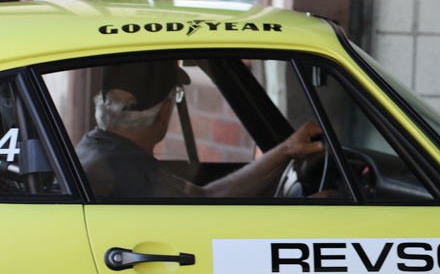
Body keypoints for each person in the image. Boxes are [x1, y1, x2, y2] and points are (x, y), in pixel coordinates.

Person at [75, 60, 325, 199]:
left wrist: (285, 151)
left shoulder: (96, 148)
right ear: (164, 112)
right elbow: (209, 206)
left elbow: (205, 197)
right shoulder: (133, 170)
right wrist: (300, 214)